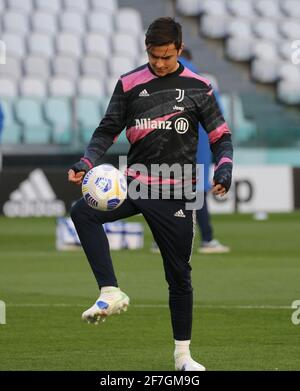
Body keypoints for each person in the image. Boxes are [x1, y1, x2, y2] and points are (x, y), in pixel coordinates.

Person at [68, 17, 233, 371]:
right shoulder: (129, 84)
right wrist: (86, 162)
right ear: (147, 49)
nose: (159, 63)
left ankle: (183, 356)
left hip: (177, 191)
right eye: (154, 55)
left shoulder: (199, 86)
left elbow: (221, 136)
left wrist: (224, 168)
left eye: (167, 56)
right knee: (82, 212)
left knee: (178, 277)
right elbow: (108, 129)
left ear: (179, 47)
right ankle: (110, 291)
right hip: (135, 183)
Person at [179, 48, 230, 254]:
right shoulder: (202, 82)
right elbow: (218, 119)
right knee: (197, 190)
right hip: (197, 143)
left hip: (168, 144)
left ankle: (160, 241)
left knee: (169, 189)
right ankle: (207, 239)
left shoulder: (160, 82)